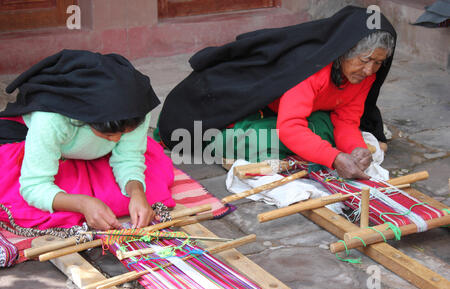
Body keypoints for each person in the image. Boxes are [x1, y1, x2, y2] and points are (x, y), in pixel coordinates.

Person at [154, 6, 397, 180]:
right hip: (226, 107)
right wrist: (334, 159)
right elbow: (291, 127)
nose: (369, 70)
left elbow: (347, 120)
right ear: (344, 51)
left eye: (378, 63)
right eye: (365, 60)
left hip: (286, 115)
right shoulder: (310, 69)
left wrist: (356, 149)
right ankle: (226, 142)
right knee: (262, 140)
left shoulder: (364, 77)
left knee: (326, 131)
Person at [0, 50, 175, 232]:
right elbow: (34, 185)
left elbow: (128, 158)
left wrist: (137, 192)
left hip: (97, 156)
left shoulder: (134, 109)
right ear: (85, 120)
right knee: (33, 208)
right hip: (50, 157)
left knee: (147, 192)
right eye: (108, 135)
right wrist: (82, 203)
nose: (116, 139)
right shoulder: (50, 120)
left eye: (123, 134)